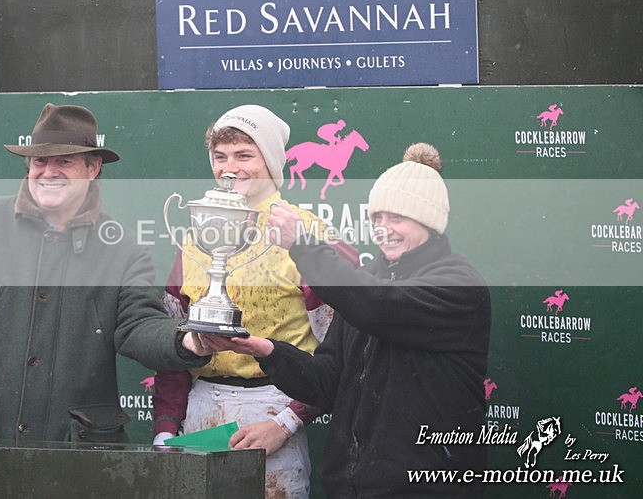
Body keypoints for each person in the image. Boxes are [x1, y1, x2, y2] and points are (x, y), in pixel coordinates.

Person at [0, 103, 212, 445]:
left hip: (77, 454)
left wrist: (188, 340)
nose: (49, 171)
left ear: (93, 167)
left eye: (64, 161)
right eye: (40, 161)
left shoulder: (125, 248)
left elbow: (138, 326)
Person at [202, 143, 492, 497]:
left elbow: (379, 308)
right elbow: (325, 383)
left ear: (428, 222)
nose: (384, 229)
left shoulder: (458, 283)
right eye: (377, 218)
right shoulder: (367, 281)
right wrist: (268, 351)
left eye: (397, 218)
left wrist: (303, 246)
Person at [152, 105, 359, 498]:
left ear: (271, 161)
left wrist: (285, 423)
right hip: (201, 416)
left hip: (275, 412)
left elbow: (339, 358)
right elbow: (173, 347)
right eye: (220, 156)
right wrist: (165, 428)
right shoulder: (195, 239)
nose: (230, 168)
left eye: (244, 155)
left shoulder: (310, 234)